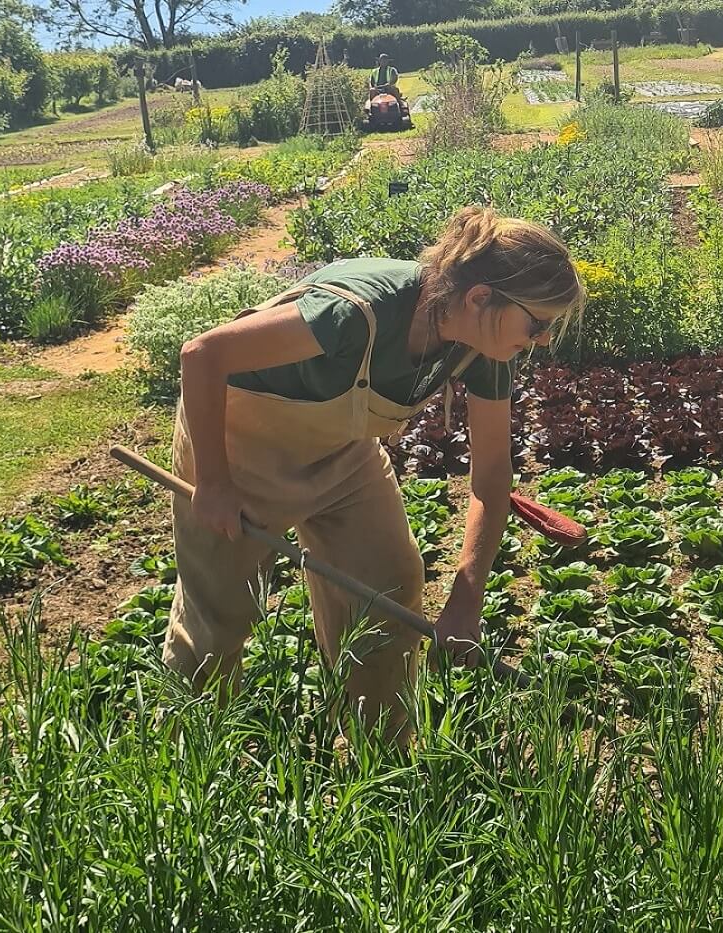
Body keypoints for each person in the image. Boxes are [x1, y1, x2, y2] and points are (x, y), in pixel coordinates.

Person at [166, 206, 586, 745]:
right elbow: (203, 354)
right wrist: (215, 483)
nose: (544, 339)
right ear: (481, 298)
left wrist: (466, 600)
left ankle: (380, 750)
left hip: (343, 455)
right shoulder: (356, 313)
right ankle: (192, 756)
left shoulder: (484, 347)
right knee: (220, 612)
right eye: (538, 322)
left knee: (388, 585)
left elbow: (492, 477)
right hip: (241, 452)